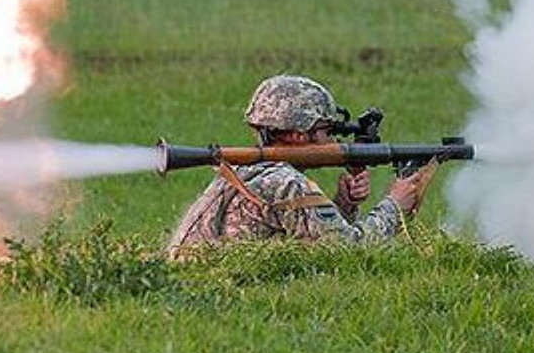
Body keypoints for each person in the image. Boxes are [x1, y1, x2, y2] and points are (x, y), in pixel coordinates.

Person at [168, 75, 437, 257]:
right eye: (327, 130)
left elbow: (309, 241)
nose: (332, 140)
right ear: (299, 135)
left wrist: (344, 206)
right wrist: (394, 206)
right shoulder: (286, 183)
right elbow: (348, 252)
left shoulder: (243, 169)